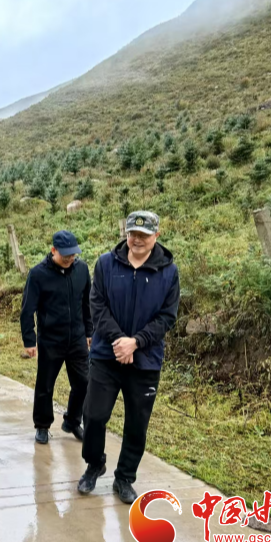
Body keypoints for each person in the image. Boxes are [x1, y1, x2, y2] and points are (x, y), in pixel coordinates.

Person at [78, 211, 180, 504]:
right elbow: (97, 305)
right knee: (94, 415)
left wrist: (136, 343)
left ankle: (124, 478)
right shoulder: (106, 263)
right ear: (126, 233)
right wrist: (119, 341)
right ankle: (94, 464)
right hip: (106, 355)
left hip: (145, 360)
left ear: (156, 236)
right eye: (133, 233)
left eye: (144, 235)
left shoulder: (168, 271)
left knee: (137, 424)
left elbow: (167, 316)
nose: (137, 239)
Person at [20, 230, 92, 445]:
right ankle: (42, 425)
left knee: (84, 383)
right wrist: (29, 340)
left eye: (73, 254)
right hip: (50, 340)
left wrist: (89, 331)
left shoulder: (82, 269)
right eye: (65, 255)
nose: (70, 258)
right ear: (53, 250)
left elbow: (87, 303)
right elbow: (27, 310)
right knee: (45, 385)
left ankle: (72, 421)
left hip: (77, 338)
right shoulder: (38, 274)